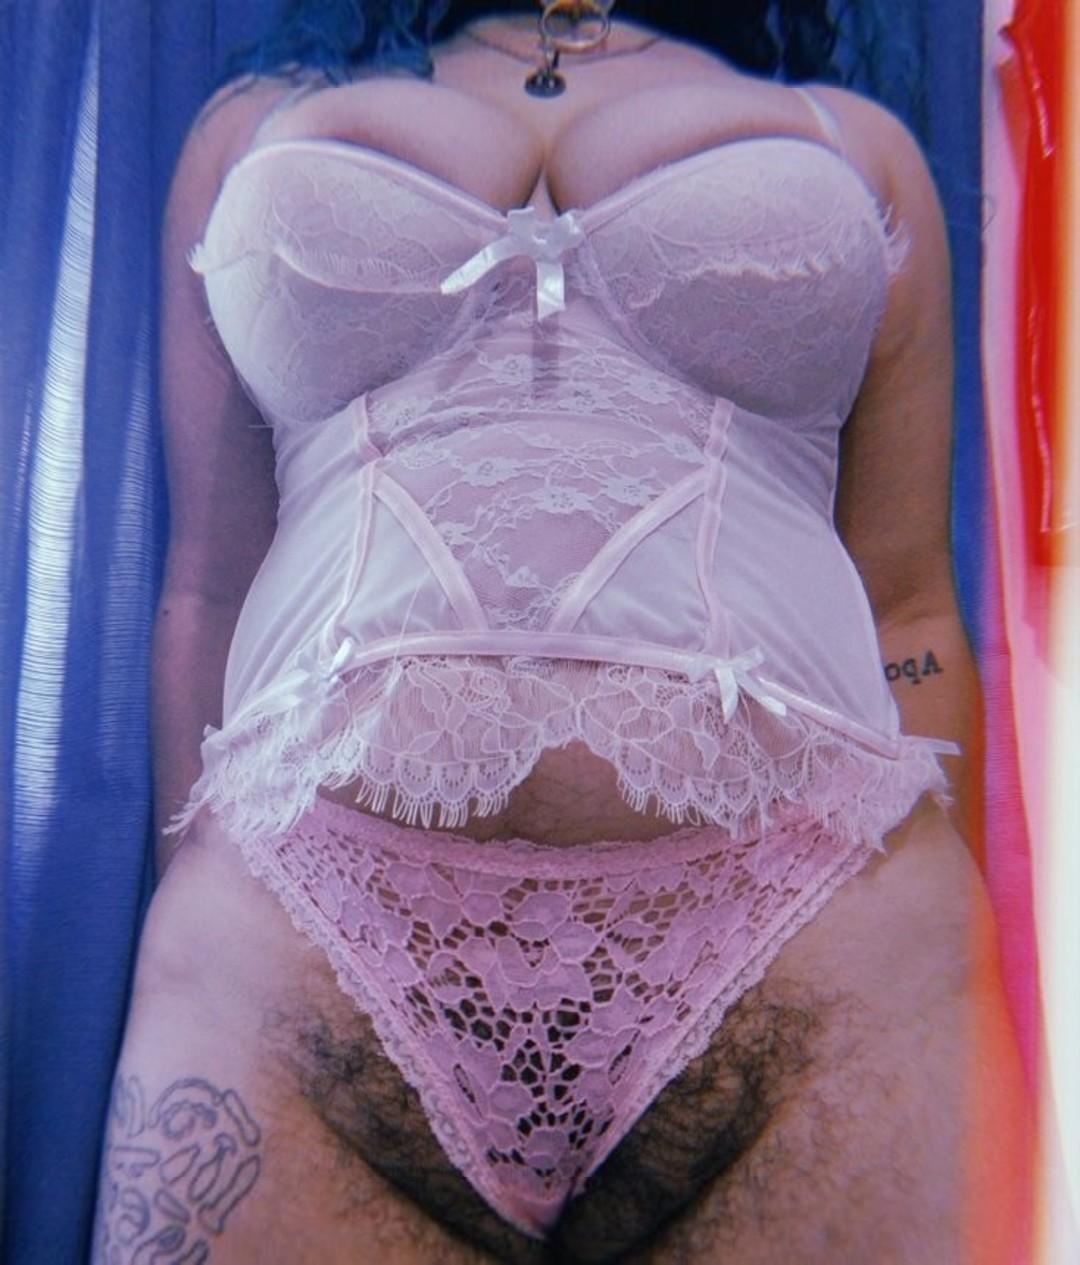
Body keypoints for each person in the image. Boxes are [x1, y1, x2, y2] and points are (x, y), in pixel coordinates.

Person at [91, 2, 1031, 1262]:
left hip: (819, 947)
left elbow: (907, 601)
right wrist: (191, 910)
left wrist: (967, 957)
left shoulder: (858, 146)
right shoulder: (250, 132)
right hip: (300, 945)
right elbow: (207, 583)